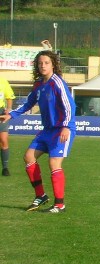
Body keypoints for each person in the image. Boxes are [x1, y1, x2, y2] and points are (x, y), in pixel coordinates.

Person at [0, 50, 76, 213]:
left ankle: (59, 205)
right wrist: (11, 114)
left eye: (46, 63)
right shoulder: (39, 84)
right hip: (47, 130)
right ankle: (41, 195)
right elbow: (28, 103)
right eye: (40, 63)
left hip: (61, 129)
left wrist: (66, 126)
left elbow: (70, 106)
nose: (43, 65)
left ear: (53, 64)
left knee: (54, 163)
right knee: (28, 157)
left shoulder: (58, 83)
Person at [0, 77, 15, 176]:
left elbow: (9, 97)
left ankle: (5, 168)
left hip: (1, 112)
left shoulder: (3, 81)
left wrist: (9, 108)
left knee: (3, 139)